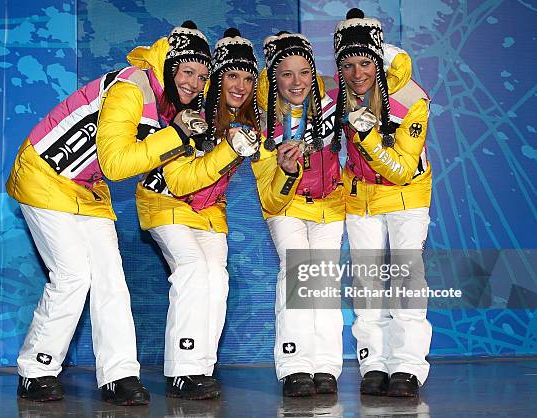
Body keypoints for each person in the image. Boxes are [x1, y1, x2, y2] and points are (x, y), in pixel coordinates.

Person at [6, 21, 211, 405]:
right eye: (188, 72)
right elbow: (116, 164)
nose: (195, 83)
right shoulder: (131, 88)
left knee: (111, 281)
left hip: (86, 187)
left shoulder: (170, 105)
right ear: (169, 66)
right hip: (44, 175)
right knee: (72, 276)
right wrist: (178, 136)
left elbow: (161, 170)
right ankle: (36, 370)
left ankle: (119, 376)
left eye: (202, 76)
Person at [132, 27, 260, 400]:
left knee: (216, 279)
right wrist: (229, 150)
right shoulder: (188, 111)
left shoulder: (249, 119)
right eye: (231, 76)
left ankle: (201, 367)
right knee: (191, 269)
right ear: (217, 80)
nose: (240, 85)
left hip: (208, 212)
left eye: (249, 78)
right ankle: (182, 370)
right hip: (165, 200)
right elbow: (182, 180)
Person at [332, 8, 432, 397]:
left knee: (407, 277)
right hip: (360, 197)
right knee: (367, 280)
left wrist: (370, 137)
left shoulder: (411, 97)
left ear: (378, 59)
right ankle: (373, 361)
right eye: (348, 64)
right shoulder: (339, 93)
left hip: (406, 193)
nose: (358, 74)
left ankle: (407, 366)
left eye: (365, 63)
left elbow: (402, 170)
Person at [252, 31, 345, 397]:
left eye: (304, 72)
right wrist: (287, 173)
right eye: (286, 73)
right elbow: (267, 191)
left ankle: (324, 366)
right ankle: (295, 366)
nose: (296, 82)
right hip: (285, 204)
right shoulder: (259, 120)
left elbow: (383, 73)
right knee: (297, 272)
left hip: (330, 204)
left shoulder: (331, 101)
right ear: (274, 76)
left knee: (323, 281)